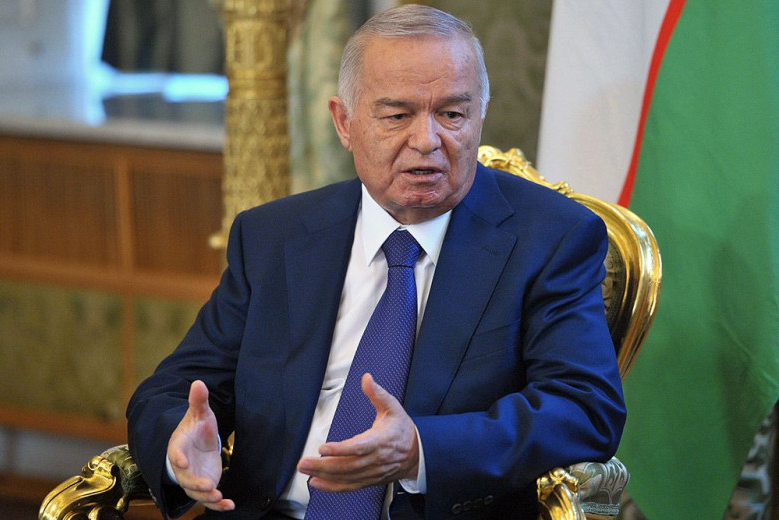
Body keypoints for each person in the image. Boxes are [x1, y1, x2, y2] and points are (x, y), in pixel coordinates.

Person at [127, 4, 626, 519]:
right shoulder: (275, 237)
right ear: (344, 123)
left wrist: (421, 450)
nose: (427, 140)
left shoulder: (550, 238)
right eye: (397, 116)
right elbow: (172, 390)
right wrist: (178, 443)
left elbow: (585, 408)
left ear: (480, 115)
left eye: (452, 115)